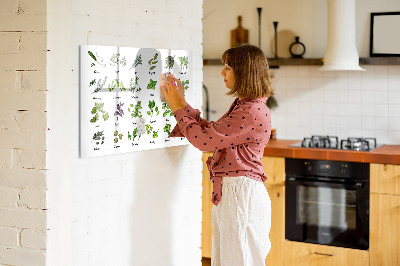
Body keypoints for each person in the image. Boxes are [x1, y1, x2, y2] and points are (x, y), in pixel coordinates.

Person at [161, 44, 273, 266]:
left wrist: (176, 108)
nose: (222, 72)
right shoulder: (246, 106)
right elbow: (212, 133)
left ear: (244, 72)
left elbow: (204, 141)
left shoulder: (250, 111)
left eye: (228, 67)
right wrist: (182, 103)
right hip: (236, 193)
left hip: (241, 195)